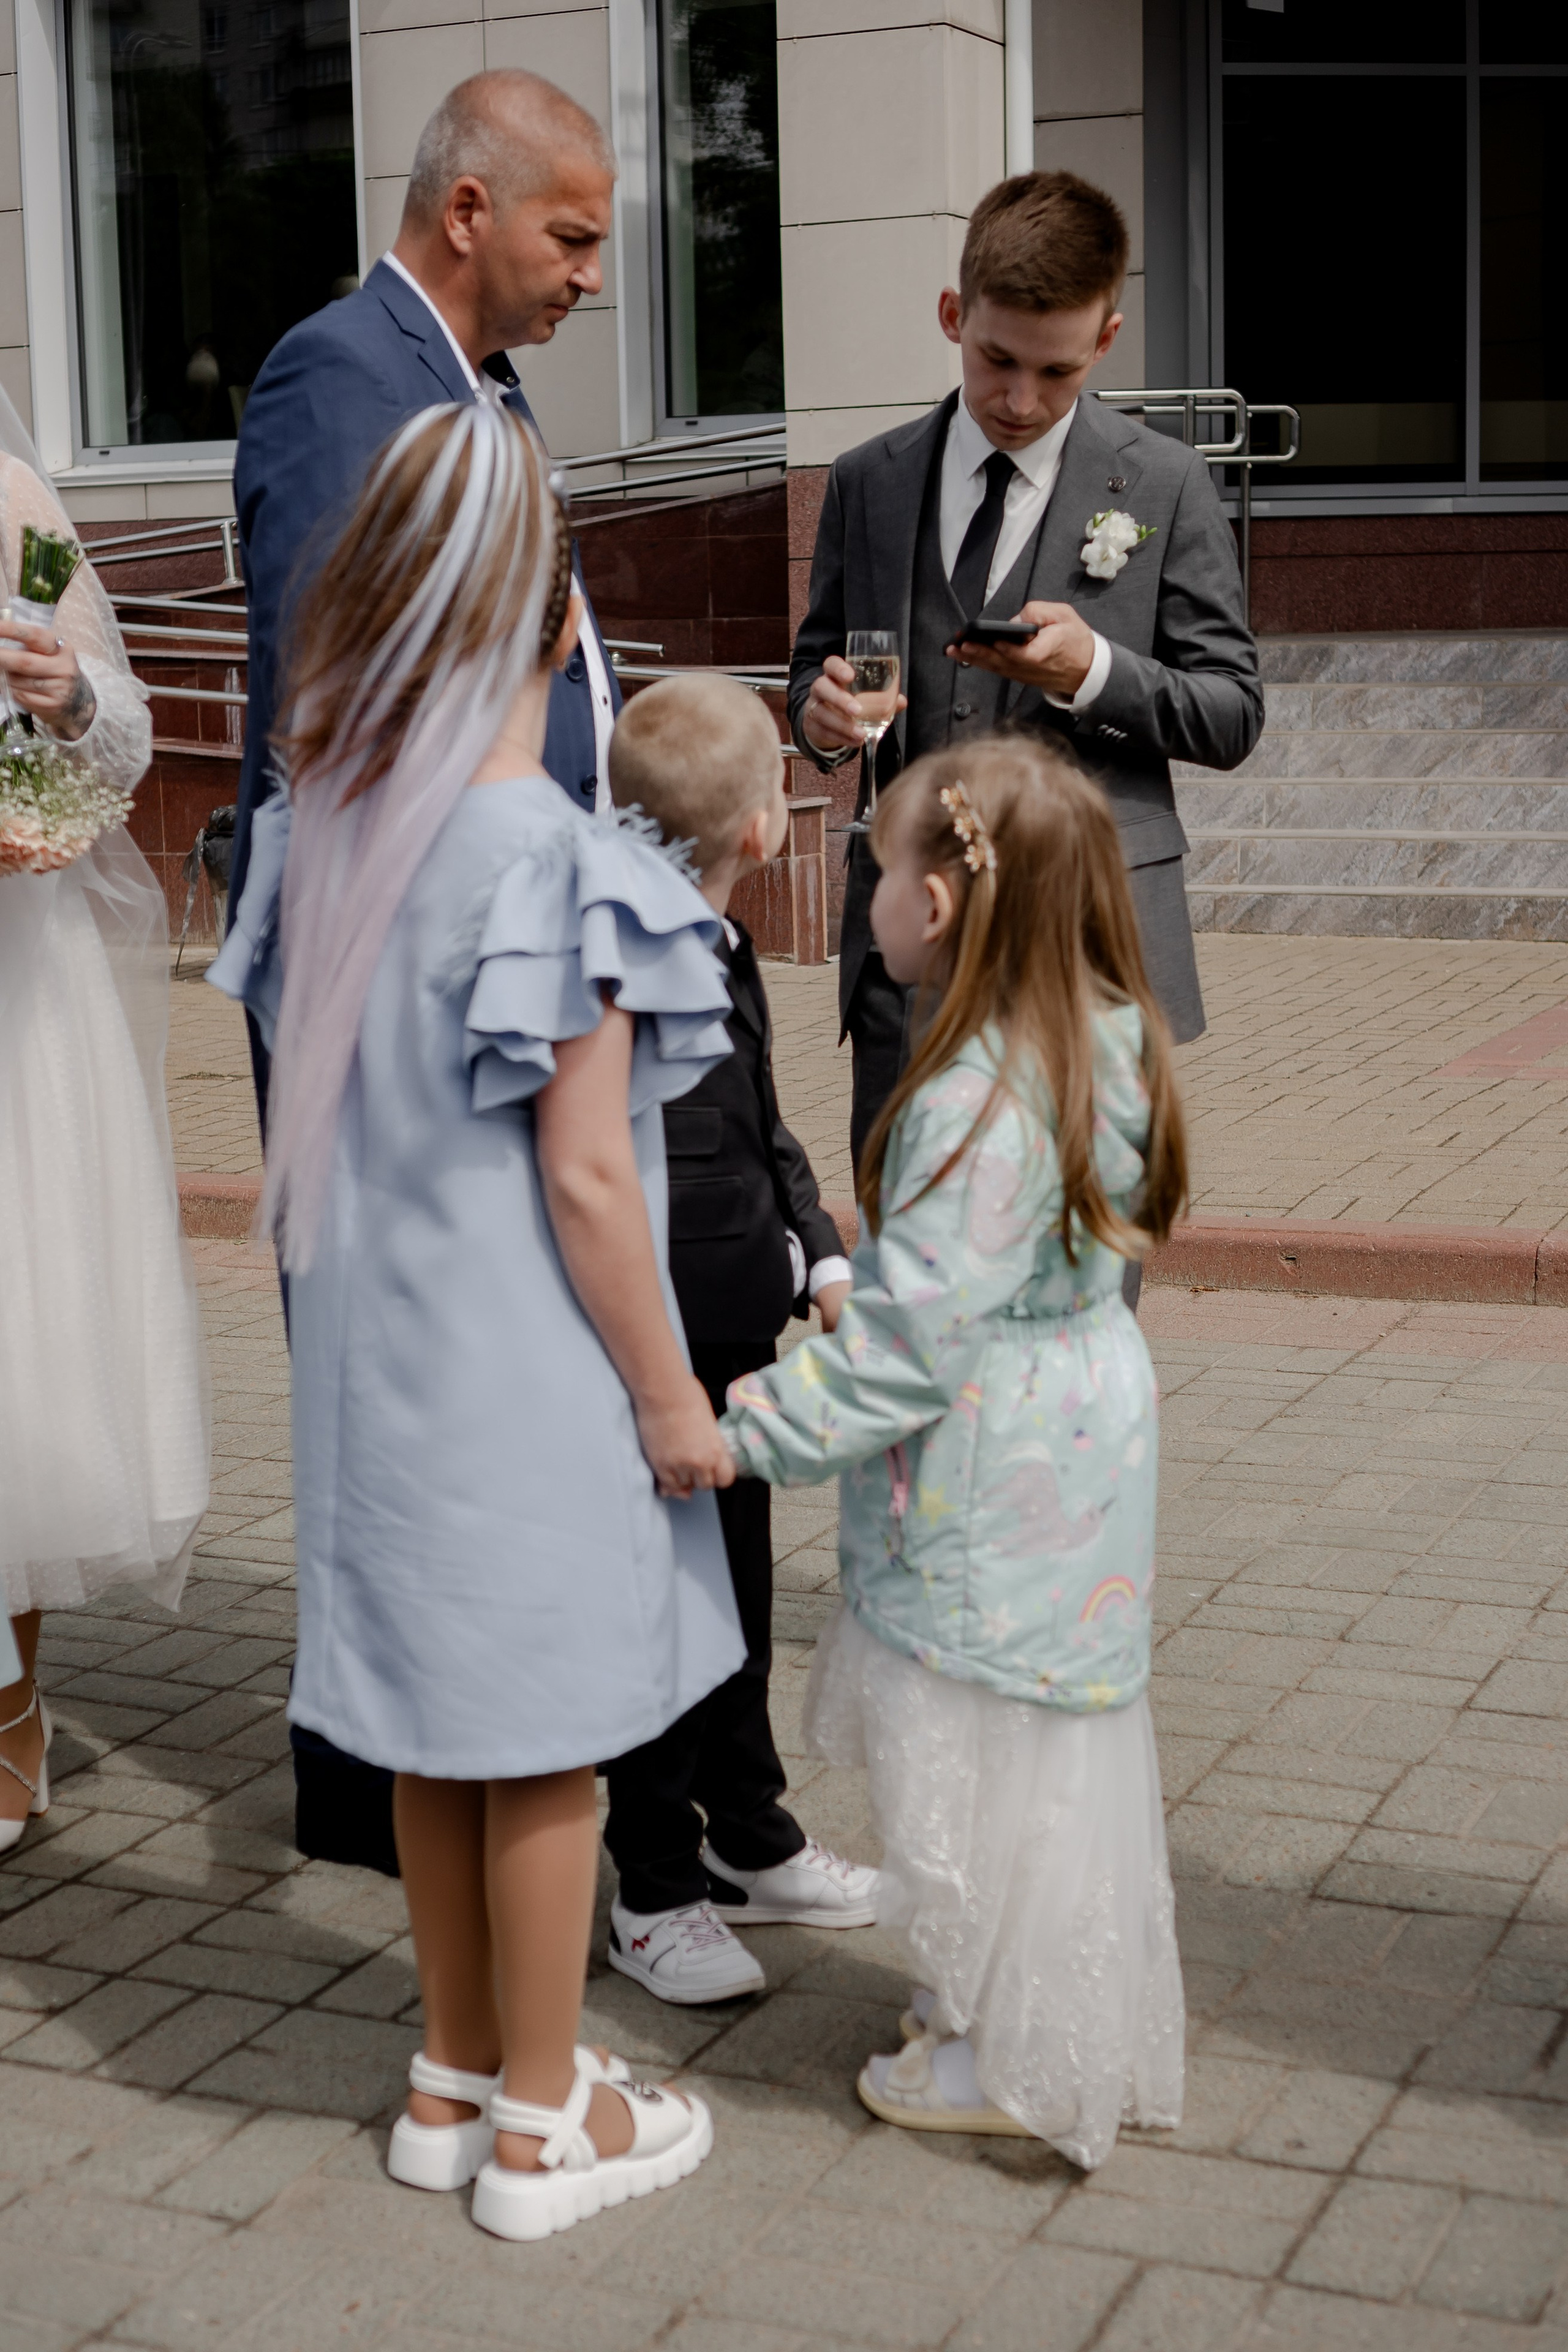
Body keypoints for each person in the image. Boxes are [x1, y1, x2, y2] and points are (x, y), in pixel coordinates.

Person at [213, 398, 743, 2241]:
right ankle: (542, 2123)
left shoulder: (329, 833)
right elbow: (593, 1182)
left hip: (379, 1370)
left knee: (437, 1729)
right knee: (549, 1748)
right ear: (549, 610)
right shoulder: (553, 860)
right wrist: (675, 1400)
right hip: (525, 1369)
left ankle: (451, 2073)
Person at [232, 66, 625, 1865]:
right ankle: (376, 1779)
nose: (594, 275)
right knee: (390, 1369)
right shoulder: (342, 373)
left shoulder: (485, 387)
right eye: (573, 235)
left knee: (465, 1370)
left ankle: (452, 1747)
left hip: (493, 934)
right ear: (468, 210)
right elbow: (347, 680)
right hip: (399, 966)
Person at [719, 734, 1187, 2169]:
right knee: (1045, 1750)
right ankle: (1023, 2010)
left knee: (976, 1761)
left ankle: (1002, 2049)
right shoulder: (1105, 1035)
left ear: (937, 908)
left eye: (876, 870)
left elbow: (911, 1349)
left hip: (985, 1480)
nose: (866, 897)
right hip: (1077, 1443)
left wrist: (752, 1426)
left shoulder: (965, 1100)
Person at [788, 168, 1262, 1283]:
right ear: (955, 318)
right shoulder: (869, 481)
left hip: (1087, 963)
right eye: (998, 360)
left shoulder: (1166, 483)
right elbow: (821, 665)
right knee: (910, 1275)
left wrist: (1092, 669)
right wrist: (821, 714)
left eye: (1059, 369)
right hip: (909, 959)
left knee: (1075, 1292)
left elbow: (1232, 710)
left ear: (1107, 337)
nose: (1021, 398)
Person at [600, 674, 877, 2003]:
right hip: (646, 1357)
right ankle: (651, 1884)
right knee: (658, 1619)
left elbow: (761, 1123)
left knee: (740, 1606)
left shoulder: (724, 945)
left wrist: (818, 1247)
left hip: (736, 1348)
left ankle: (748, 1839)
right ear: (768, 826)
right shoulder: (622, 959)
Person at [0, 395, 209, 1854]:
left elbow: (115, 735)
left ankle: (10, 1716)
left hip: (15, 981)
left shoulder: (10, 505)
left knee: (19, 1355)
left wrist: (65, 705)